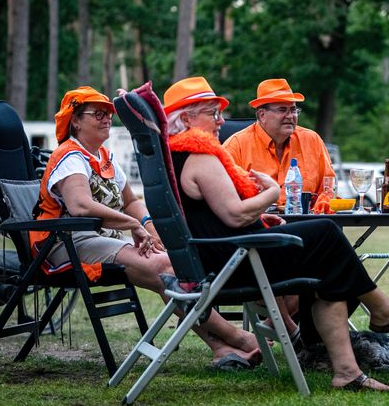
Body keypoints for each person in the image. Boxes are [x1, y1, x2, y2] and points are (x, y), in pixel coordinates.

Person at [163, 77, 389, 391]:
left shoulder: (179, 158)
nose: (221, 121)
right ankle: (383, 312)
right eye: (213, 113)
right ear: (186, 119)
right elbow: (235, 215)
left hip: (224, 255)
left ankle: (348, 372)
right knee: (327, 233)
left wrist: (259, 216)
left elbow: (209, 216)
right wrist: (270, 193)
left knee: (329, 263)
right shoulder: (201, 157)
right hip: (237, 260)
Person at [32, 86, 263, 370]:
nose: (107, 118)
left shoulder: (103, 156)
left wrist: (152, 230)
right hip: (62, 243)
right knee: (163, 268)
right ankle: (241, 338)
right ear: (76, 121)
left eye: (109, 113)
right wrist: (132, 225)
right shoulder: (69, 156)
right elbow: (81, 207)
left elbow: (131, 202)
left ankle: (220, 348)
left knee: (173, 263)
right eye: (98, 114)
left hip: (96, 239)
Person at [222, 78, 335, 205]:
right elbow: (225, 200)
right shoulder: (236, 146)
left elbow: (328, 190)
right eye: (282, 110)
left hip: (303, 216)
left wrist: (323, 203)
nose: (290, 116)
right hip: (258, 217)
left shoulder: (312, 141)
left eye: (293, 110)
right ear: (262, 115)